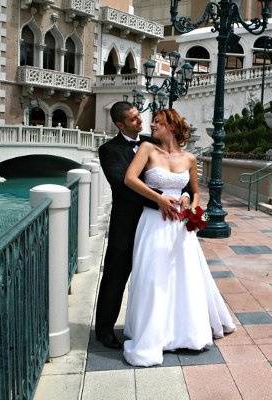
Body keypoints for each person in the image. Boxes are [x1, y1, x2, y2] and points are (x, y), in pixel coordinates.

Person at [122, 109, 235, 367]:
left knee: (183, 278)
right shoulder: (147, 150)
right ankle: (153, 334)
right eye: (154, 124)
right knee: (154, 278)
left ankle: (184, 333)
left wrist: (189, 203)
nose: (153, 127)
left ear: (171, 126)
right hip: (154, 223)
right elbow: (129, 179)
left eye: (159, 123)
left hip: (180, 227)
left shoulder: (190, 158)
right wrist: (159, 197)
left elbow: (195, 193)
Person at [95, 102, 192, 349]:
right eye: (133, 119)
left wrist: (184, 198)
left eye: (140, 116)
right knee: (115, 277)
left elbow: (182, 177)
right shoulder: (109, 150)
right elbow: (121, 184)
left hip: (159, 226)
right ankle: (104, 331)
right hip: (127, 225)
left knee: (156, 278)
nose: (141, 121)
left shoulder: (154, 142)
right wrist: (160, 198)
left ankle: (156, 327)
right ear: (120, 124)